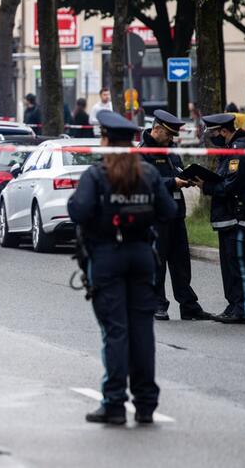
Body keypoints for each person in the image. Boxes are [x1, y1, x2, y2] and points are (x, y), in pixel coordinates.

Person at [67, 111, 176, 425]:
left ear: (106, 141)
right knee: (142, 329)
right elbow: (168, 211)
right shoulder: (149, 174)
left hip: (106, 257)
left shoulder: (97, 174)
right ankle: (145, 403)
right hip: (142, 256)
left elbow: (78, 211)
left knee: (115, 331)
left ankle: (114, 402)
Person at [138, 110, 214, 321]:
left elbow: (179, 170)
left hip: (176, 213)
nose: (171, 139)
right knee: (157, 263)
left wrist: (188, 177)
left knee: (181, 263)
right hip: (155, 217)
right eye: (168, 134)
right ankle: (157, 304)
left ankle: (188, 305)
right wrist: (173, 182)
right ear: (157, 129)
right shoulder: (142, 153)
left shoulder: (170, 151)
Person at [195, 113, 245, 324]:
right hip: (229, 217)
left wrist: (207, 186)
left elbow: (231, 184)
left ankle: (243, 309)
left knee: (239, 264)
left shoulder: (238, 150)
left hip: (238, 216)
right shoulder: (230, 150)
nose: (212, 138)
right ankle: (234, 305)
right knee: (229, 264)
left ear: (223, 131)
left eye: (213, 134)